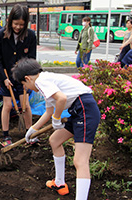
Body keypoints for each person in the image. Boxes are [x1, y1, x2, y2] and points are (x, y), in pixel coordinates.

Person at [12, 58, 101, 199]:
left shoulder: (41, 81)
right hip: (78, 111)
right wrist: (33, 129)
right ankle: (59, 183)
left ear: (28, 79)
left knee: (80, 161)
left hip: (85, 110)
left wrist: (57, 119)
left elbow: (62, 99)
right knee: (54, 140)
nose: (26, 88)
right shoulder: (45, 81)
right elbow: (48, 111)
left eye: (24, 85)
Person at [0, 4, 36, 146]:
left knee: (26, 105)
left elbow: (31, 59)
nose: (18, 27)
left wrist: (28, 78)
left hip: (23, 76)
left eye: (21, 25)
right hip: (5, 75)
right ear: (10, 21)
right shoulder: (1, 35)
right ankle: (6, 135)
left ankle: (30, 134)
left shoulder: (30, 35)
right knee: (7, 105)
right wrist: (4, 79)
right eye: (15, 24)